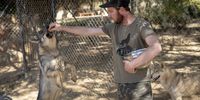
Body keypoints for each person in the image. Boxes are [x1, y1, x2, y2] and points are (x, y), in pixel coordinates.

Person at [48, 0, 162, 99]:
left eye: (111, 11)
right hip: (121, 84)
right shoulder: (113, 27)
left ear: (122, 10)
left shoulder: (141, 25)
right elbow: (88, 31)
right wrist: (62, 27)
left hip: (139, 86)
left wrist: (132, 64)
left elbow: (156, 47)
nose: (108, 15)